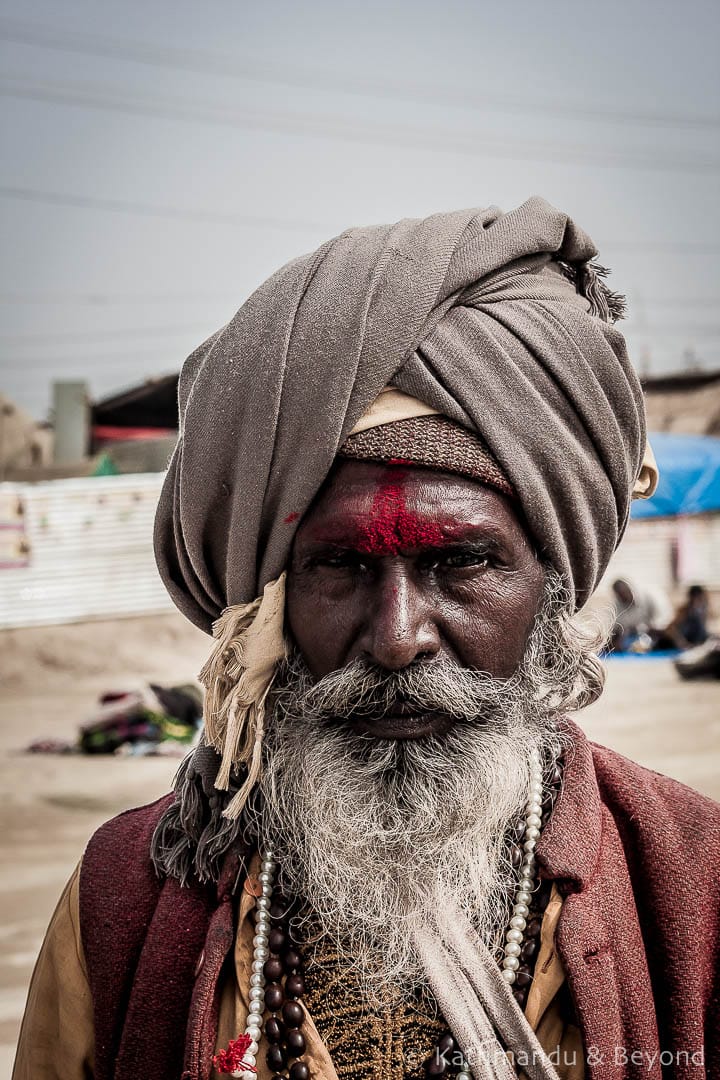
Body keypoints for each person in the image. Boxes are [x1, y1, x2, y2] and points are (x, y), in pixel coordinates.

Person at [13, 198, 720, 1080]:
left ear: (553, 586)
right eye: (339, 567)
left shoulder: (696, 881)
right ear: (268, 602)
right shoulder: (123, 898)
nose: (395, 639)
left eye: (462, 562)